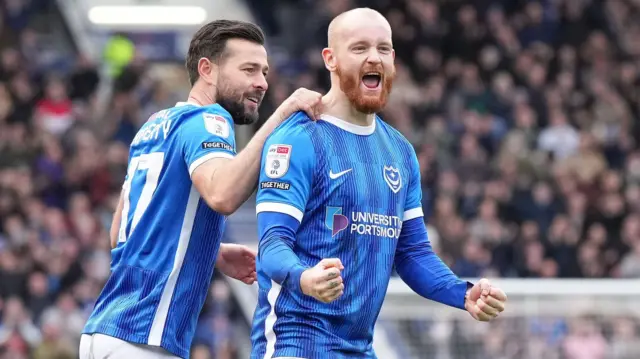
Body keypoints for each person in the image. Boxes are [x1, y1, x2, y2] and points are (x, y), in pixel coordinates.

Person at [250, 8, 507, 359]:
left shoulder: (400, 152)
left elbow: (413, 253)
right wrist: (305, 276)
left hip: (360, 349)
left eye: (383, 49)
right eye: (359, 48)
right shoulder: (298, 140)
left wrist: (462, 294)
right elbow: (272, 245)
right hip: (295, 343)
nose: (374, 57)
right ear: (331, 59)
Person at [79, 20, 322, 359]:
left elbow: (120, 231)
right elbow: (222, 195)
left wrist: (213, 251)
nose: (262, 83)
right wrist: (283, 114)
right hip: (145, 337)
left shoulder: (153, 126)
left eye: (264, 72)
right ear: (206, 69)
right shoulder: (211, 120)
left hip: (102, 334)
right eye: (249, 69)